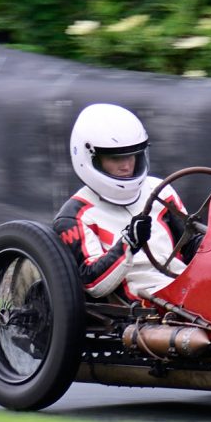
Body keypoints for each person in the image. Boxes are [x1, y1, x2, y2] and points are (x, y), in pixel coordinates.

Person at [56, 103, 187, 300]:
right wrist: (129, 243)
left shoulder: (160, 190)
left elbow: (191, 245)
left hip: (188, 284)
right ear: (93, 158)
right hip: (146, 300)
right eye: (115, 158)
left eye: (132, 154)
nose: (126, 165)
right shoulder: (75, 215)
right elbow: (92, 283)